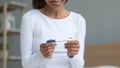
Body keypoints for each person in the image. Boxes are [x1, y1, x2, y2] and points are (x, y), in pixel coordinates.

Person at [20, 0, 86, 68]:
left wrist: (72, 55)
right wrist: (41, 55)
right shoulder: (30, 18)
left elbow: (79, 66)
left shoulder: (78, 20)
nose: (56, 0)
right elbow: (25, 64)